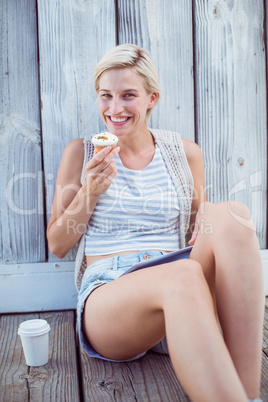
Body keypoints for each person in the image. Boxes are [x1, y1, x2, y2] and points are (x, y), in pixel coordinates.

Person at [47, 44, 264, 402]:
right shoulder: (80, 152)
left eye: (128, 95)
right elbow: (57, 244)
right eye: (106, 96)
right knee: (183, 275)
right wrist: (90, 191)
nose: (115, 109)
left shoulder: (184, 153)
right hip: (112, 297)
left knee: (233, 214)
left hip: (183, 286)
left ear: (152, 98)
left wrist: (207, 222)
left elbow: (201, 225)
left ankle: (248, 395)